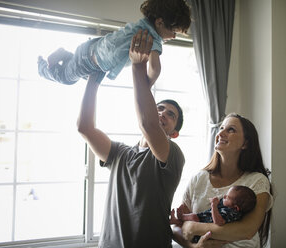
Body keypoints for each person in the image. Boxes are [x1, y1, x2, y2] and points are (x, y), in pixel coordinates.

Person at [77, 30, 185, 248]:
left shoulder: (173, 156)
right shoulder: (120, 153)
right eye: (160, 108)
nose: (163, 113)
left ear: (174, 133)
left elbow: (148, 124)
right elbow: (85, 127)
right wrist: (94, 78)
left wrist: (138, 66)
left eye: (170, 115)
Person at [172, 113, 274, 248]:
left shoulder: (257, 181)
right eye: (221, 128)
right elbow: (176, 226)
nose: (221, 133)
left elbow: (247, 231)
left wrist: (193, 227)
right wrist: (193, 247)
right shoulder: (199, 178)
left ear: (245, 144)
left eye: (231, 129)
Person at [37, 0, 191, 86]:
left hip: (92, 51)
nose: (174, 36)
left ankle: (67, 55)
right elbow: (155, 69)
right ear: (160, 22)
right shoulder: (151, 38)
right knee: (65, 77)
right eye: (174, 32)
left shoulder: (142, 24)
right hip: (90, 61)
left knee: (78, 72)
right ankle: (43, 67)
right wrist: (147, 85)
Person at [170, 185, 256, 243]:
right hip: (203, 219)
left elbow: (219, 222)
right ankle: (178, 219)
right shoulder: (229, 207)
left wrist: (214, 206)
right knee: (193, 216)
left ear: (236, 207)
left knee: (193, 218)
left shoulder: (231, 213)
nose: (224, 197)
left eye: (227, 197)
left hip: (202, 233)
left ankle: (180, 218)